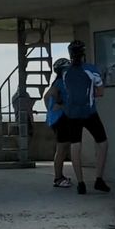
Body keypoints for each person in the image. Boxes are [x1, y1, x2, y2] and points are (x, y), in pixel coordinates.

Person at [60, 40, 111, 195]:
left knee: (75, 146)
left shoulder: (65, 72)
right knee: (102, 143)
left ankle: (80, 183)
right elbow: (100, 92)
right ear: (84, 53)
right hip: (89, 112)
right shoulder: (91, 70)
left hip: (71, 114)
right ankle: (99, 179)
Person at [44, 58, 72, 188]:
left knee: (64, 147)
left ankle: (60, 176)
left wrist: (49, 110)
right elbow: (49, 95)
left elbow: (46, 97)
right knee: (61, 148)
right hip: (60, 119)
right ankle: (58, 178)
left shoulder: (60, 82)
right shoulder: (60, 82)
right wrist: (58, 105)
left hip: (58, 118)